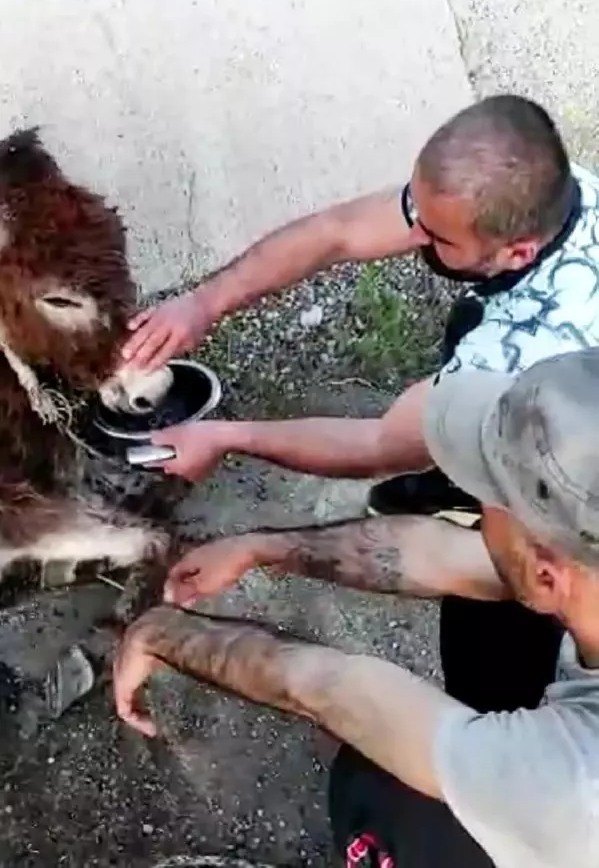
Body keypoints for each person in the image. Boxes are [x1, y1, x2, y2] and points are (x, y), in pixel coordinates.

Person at [122, 93, 599, 710]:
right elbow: (338, 232)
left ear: (518, 253)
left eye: (435, 236)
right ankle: (441, 483)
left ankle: (493, 726)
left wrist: (228, 437)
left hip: (574, 495)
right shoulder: (555, 193)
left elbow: (377, 444)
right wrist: (203, 303)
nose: (413, 236)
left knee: (495, 654)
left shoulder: (516, 358)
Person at [113, 348, 599, 868]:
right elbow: (454, 560)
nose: (477, 502)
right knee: (494, 608)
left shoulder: (572, 789)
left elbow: (333, 691)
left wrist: (162, 633)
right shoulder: (577, 575)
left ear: (551, 573)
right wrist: (262, 548)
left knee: (390, 798)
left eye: (488, 493)